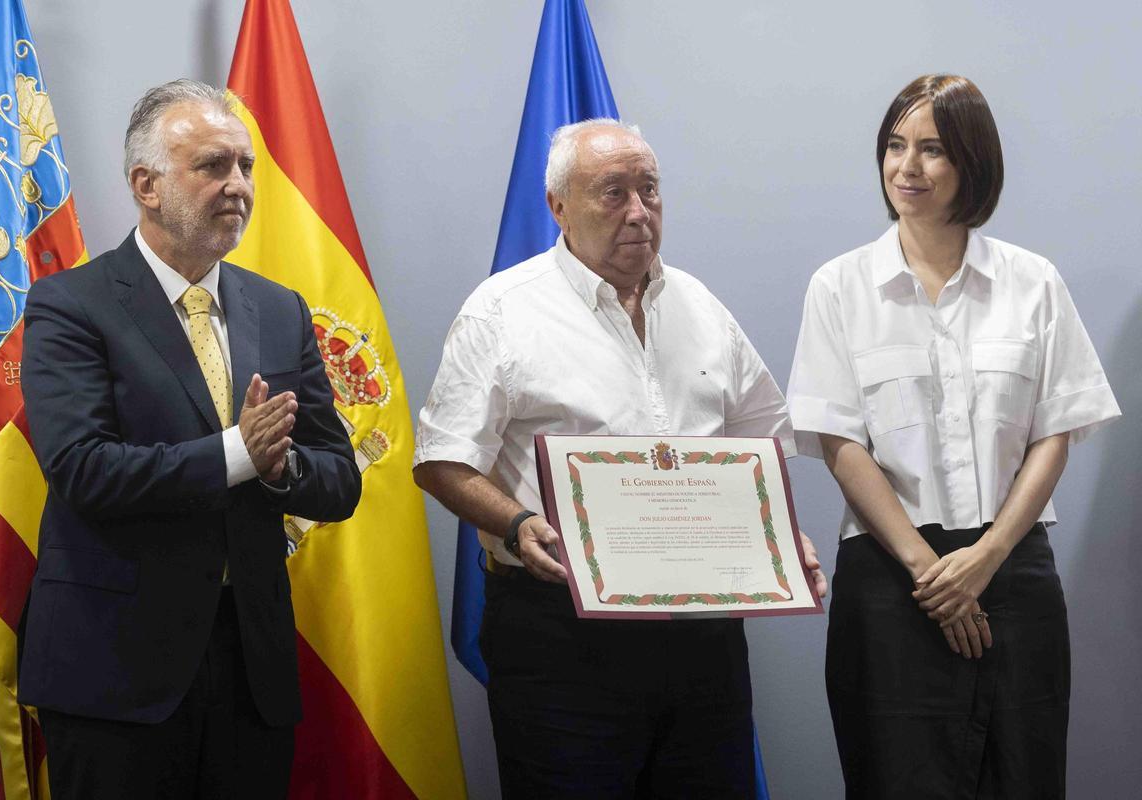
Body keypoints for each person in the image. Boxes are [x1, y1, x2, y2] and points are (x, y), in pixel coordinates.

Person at [414, 118, 827, 798]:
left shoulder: (701, 306)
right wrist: (517, 523)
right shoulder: (502, 312)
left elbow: (761, 443)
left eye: (650, 190)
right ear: (558, 206)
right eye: (612, 192)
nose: (638, 211)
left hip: (702, 637)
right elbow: (441, 459)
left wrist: (779, 542)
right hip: (560, 635)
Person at [17, 79, 362, 799]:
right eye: (213, 166)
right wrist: (241, 454)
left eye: (245, 166)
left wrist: (276, 468)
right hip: (115, 674)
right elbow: (84, 471)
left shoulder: (279, 309)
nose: (237, 184)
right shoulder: (70, 304)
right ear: (146, 184)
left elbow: (339, 480)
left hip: (251, 668)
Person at [787, 74, 1121, 799]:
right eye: (895, 146)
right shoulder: (838, 287)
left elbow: (1055, 432)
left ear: (973, 161)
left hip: (1012, 569)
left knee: (1023, 774)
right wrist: (928, 569)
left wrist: (987, 557)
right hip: (890, 576)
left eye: (932, 149)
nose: (907, 167)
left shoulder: (1033, 283)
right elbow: (841, 443)